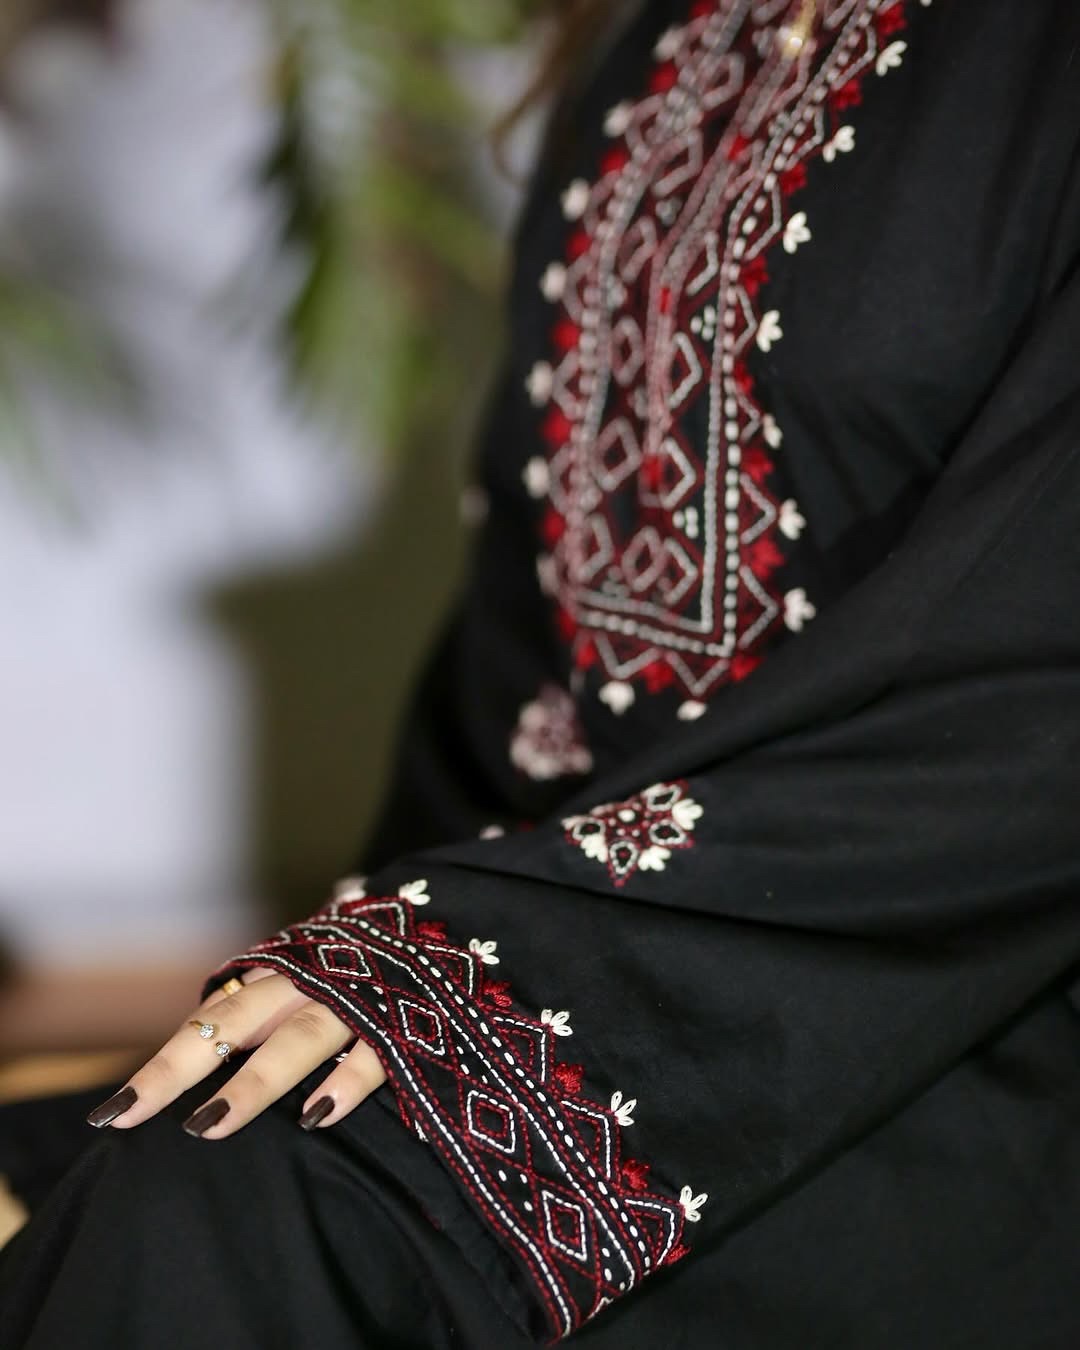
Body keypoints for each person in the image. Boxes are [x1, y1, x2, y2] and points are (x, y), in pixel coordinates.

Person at [3, 0, 1080, 1345]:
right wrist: (394, 963)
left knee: (231, 1198)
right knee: (78, 1161)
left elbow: (1035, 702)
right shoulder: (670, 40)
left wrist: (491, 965)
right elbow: (527, 670)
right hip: (598, 963)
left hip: (959, 1026)